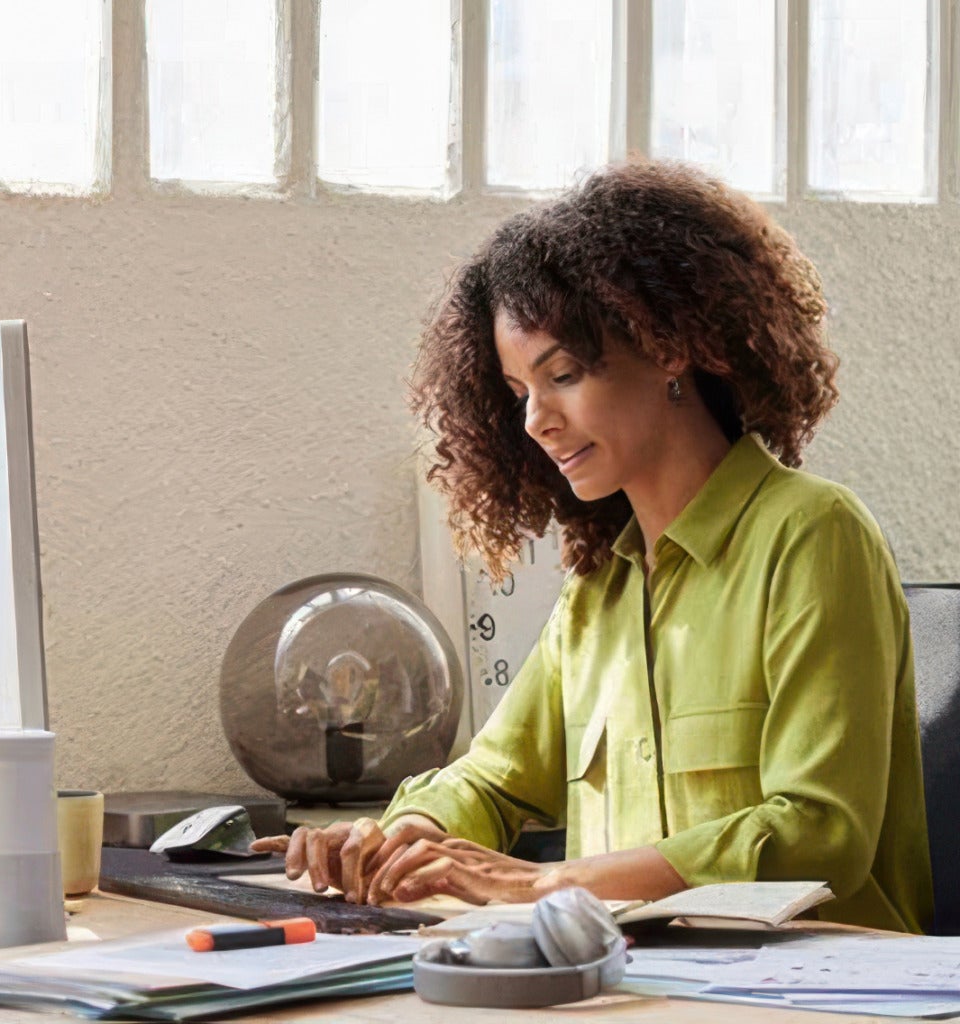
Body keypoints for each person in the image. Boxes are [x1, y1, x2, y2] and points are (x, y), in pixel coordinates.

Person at [252, 159, 934, 933]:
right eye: (518, 395)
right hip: (636, 990)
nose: (535, 421)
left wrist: (545, 886)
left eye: (564, 374)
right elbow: (496, 780)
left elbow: (819, 834)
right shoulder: (599, 591)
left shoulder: (813, 536)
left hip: (823, 995)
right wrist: (407, 837)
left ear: (671, 344)